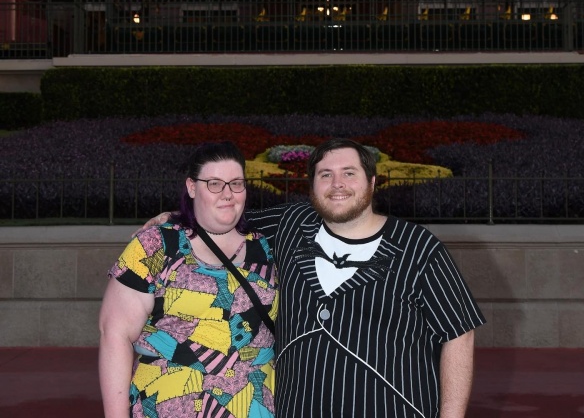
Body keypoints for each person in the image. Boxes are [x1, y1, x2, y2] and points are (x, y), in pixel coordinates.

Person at [144, 138, 485, 418]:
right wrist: (176, 218)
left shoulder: (419, 248)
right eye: (325, 175)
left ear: (372, 182)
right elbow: (224, 217)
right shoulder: (292, 224)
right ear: (312, 186)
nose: (337, 184)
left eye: (349, 173)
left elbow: (459, 333)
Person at [99, 141, 278, 418]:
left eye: (236, 183)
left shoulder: (269, 248)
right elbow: (115, 335)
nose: (228, 194)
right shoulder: (156, 245)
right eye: (215, 184)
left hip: (255, 405)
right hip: (167, 405)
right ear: (192, 187)